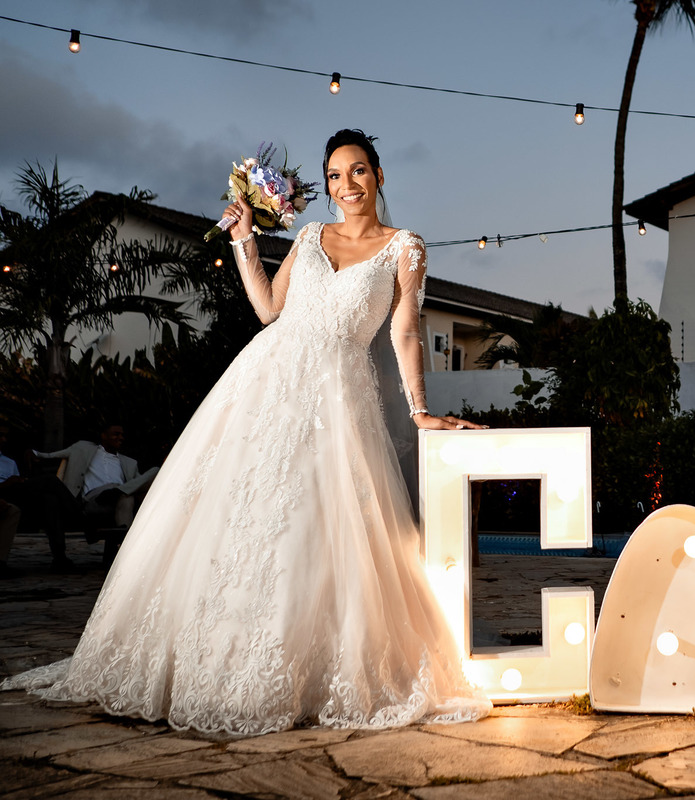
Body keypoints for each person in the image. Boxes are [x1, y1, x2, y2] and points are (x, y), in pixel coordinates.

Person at [1, 129, 491, 734]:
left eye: (358, 171)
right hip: (265, 379)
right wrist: (243, 243)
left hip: (340, 396)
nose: (347, 186)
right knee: (238, 512)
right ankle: (213, 652)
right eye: (335, 176)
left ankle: (304, 663)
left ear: (380, 176)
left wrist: (419, 409)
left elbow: (406, 332)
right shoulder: (310, 236)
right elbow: (268, 311)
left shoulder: (404, 248)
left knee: (320, 522)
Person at [31, 423, 158, 564]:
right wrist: (33, 454)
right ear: (103, 435)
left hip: (120, 497)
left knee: (154, 473)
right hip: (95, 500)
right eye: (116, 434)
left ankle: (123, 550)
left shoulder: (130, 463)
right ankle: (125, 545)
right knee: (126, 494)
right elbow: (50, 455)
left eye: (122, 435)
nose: (121, 437)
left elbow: (139, 484)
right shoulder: (83, 448)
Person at [0, 424, 21, 577]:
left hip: (11, 494)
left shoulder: (9, 462)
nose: (3, 439)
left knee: (12, 509)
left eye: (5, 436)